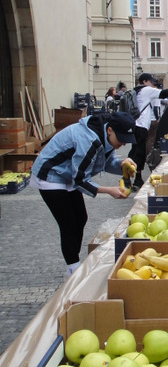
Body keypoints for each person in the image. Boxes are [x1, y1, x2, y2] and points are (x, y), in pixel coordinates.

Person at [30, 112, 136, 276]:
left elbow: (106, 164)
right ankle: (73, 268)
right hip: (50, 175)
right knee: (68, 223)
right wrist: (108, 191)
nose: (123, 143)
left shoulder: (105, 138)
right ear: (110, 130)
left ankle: (74, 262)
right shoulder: (89, 140)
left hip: (68, 174)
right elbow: (79, 180)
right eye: (121, 139)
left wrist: (122, 164)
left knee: (81, 218)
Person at [131, 73, 168, 190]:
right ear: (145, 81)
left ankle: (131, 177)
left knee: (135, 151)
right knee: (139, 152)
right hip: (141, 125)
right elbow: (163, 93)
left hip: (136, 124)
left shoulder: (137, 90)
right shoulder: (146, 90)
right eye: (152, 82)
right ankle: (136, 179)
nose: (153, 84)